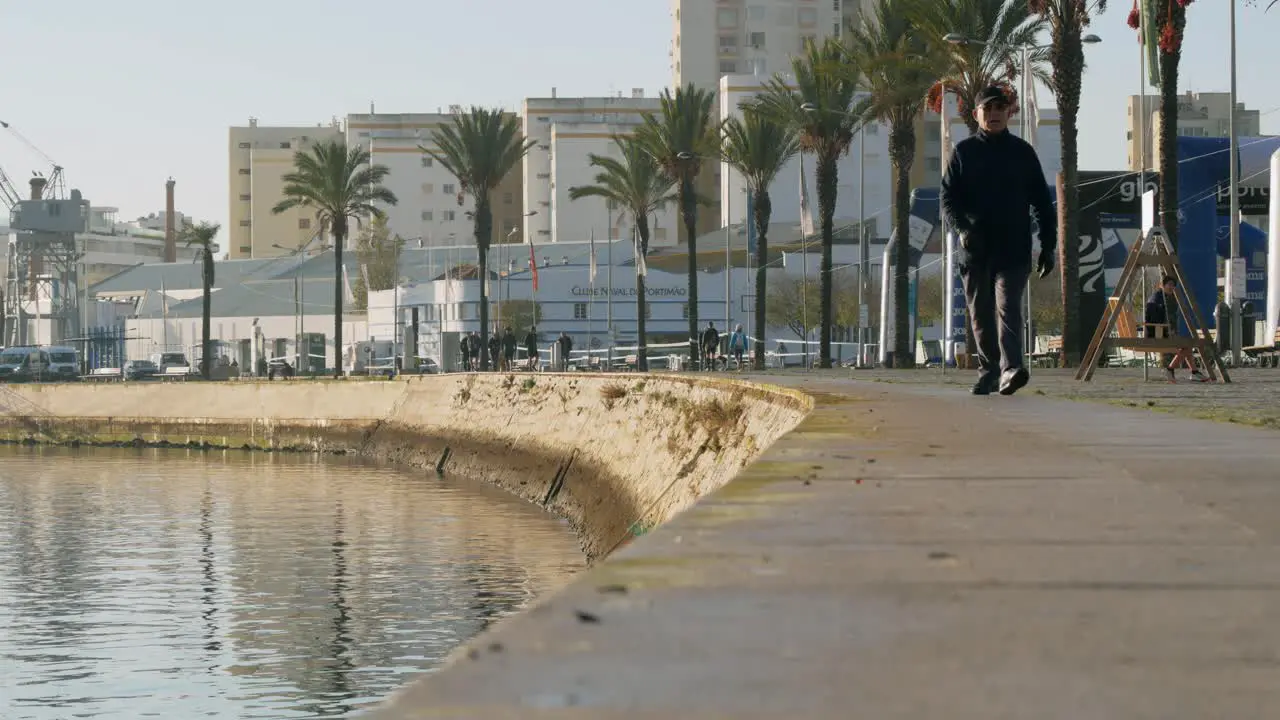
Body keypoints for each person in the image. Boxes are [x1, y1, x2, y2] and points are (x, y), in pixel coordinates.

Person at [941, 84, 1057, 396]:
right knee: (980, 315)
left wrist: (1049, 246)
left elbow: (1043, 204)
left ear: (1008, 113)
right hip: (976, 251)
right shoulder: (964, 153)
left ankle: (1011, 369)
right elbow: (947, 198)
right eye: (987, 109)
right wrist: (963, 229)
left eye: (999, 109)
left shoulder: (1022, 153)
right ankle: (989, 370)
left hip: (1014, 249)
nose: (994, 114)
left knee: (1008, 308)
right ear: (976, 114)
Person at [1145, 275, 1206, 383]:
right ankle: (1170, 369)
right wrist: (1168, 330)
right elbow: (1156, 318)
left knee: (1187, 344)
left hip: (1158, 331)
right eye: (1169, 285)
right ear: (1162, 285)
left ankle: (1194, 372)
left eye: (1173, 285)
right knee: (1187, 344)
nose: (1171, 287)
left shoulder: (1159, 296)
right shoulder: (1160, 299)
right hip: (1157, 333)